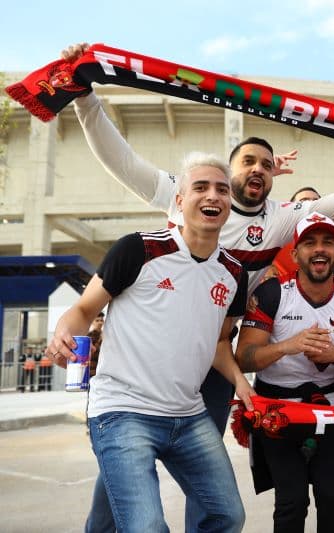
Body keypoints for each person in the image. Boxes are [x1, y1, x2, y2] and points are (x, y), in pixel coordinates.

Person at [62, 40, 334, 531]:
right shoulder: (185, 196)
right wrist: (85, 99)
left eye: (265, 164)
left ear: (274, 176)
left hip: (212, 354)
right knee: (124, 465)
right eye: (246, 162)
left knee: (205, 482)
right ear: (217, 178)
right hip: (139, 371)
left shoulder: (279, 220)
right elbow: (122, 161)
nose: (256, 168)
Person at [46, 151, 256, 532]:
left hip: (188, 415)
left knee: (227, 515)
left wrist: (240, 381)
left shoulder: (234, 273)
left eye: (222, 190)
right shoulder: (138, 249)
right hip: (123, 411)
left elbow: (219, 342)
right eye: (201, 187)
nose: (213, 196)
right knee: (145, 526)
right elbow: (82, 310)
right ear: (179, 200)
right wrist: (64, 332)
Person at [235, 212, 334, 533]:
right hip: (277, 410)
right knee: (292, 499)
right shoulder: (272, 294)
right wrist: (289, 345)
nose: (319, 250)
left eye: (328, 242)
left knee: (331, 495)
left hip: (328, 410)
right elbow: (243, 356)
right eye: (310, 242)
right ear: (296, 253)